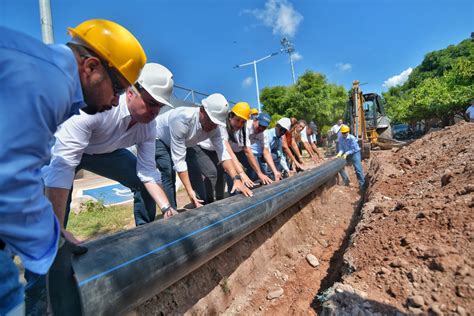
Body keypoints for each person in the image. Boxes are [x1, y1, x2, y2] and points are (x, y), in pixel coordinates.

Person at [0, 19, 146, 315]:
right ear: (91, 67)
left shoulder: (42, 70)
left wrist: (51, 227)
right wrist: (50, 244)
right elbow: (9, 178)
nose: (115, 101)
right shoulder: (50, 81)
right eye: (117, 88)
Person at [44, 62, 177, 240]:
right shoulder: (98, 109)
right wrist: (57, 230)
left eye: (160, 106)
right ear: (131, 93)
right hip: (66, 151)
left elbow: (148, 171)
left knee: (141, 181)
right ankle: (52, 246)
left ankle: (145, 234)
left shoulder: (148, 127)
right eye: (151, 103)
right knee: (55, 198)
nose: (154, 112)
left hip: (106, 152)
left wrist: (167, 207)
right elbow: (62, 168)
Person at [154, 93, 253, 208]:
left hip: (187, 142)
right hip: (160, 138)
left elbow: (223, 154)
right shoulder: (182, 119)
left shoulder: (216, 126)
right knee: (168, 172)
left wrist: (236, 179)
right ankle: (170, 211)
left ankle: (202, 205)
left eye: (216, 123)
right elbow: (179, 161)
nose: (213, 126)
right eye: (211, 121)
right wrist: (189, 190)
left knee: (196, 174)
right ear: (202, 110)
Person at [336, 125, 365, 192]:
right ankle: (346, 180)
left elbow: (354, 149)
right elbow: (341, 148)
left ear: (348, 132)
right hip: (347, 153)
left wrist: (346, 153)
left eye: (345, 133)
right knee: (339, 166)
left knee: (358, 169)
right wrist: (339, 153)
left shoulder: (352, 138)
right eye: (343, 133)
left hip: (355, 153)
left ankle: (362, 185)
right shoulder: (340, 138)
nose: (344, 134)